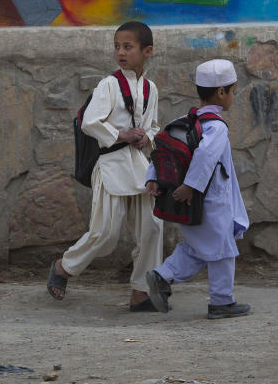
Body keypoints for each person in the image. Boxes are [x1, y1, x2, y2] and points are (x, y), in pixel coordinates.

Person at [46, 21, 163, 311]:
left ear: (147, 51)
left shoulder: (151, 89)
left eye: (128, 47)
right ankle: (63, 267)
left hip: (138, 166)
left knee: (153, 228)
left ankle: (140, 291)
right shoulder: (108, 85)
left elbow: (154, 126)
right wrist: (122, 135)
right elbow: (89, 122)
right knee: (105, 234)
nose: (120, 53)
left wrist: (145, 137)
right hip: (110, 165)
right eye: (117, 47)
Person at [144, 59, 251, 320]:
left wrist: (153, 177)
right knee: (223, 250)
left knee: (197, 248)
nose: (233, 97)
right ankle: (221, 302)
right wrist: (191, 186)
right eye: (233, 91)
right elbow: (204, 157)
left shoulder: (184, 121)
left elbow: (162, 150)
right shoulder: (216, 127)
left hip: (192, 202)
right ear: (222, 92)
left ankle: (162, 276)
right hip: (209, 201)